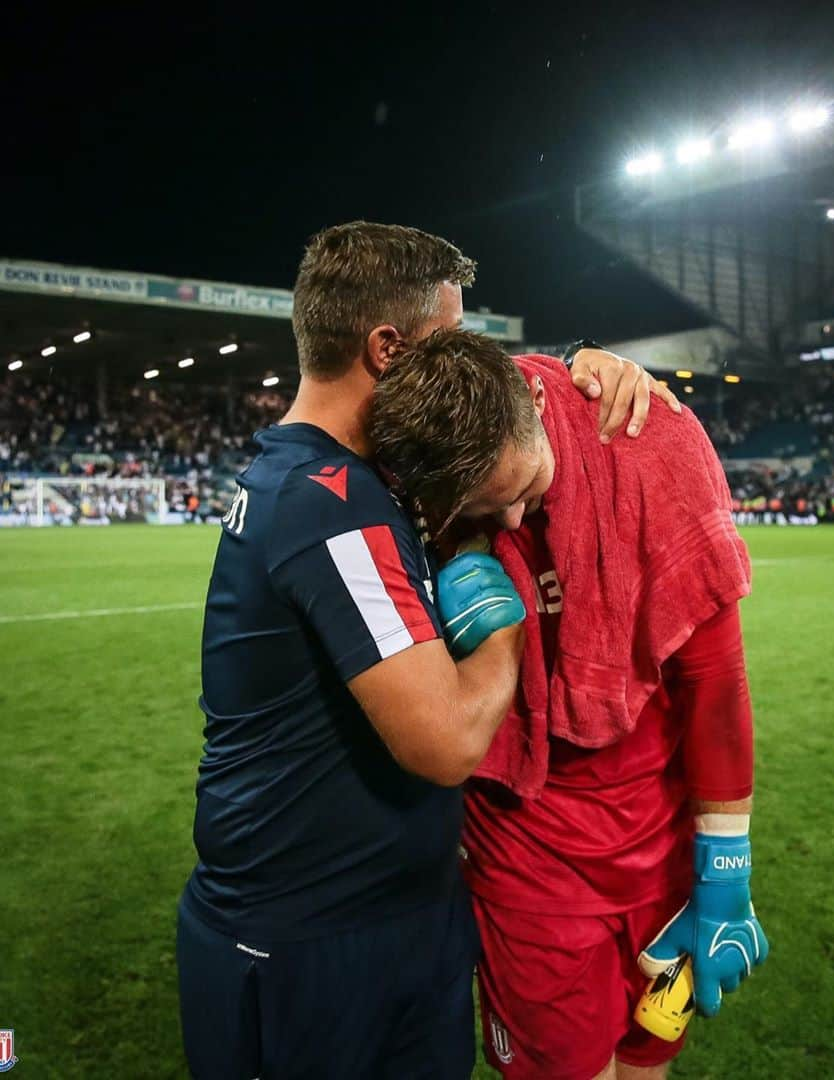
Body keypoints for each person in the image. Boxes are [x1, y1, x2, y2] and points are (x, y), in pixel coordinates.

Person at [177, 221, 677, 1080]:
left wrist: (589, 361)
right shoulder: (328, 502)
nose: (478, 364)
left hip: (395, 919)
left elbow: (504, 414)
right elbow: (444, 740)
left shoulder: (353, 481)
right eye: (453, 337)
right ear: (386, 346)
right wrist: (502, 618)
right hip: (310, 943)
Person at [371, 330, 768, 1080]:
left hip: (660, 840)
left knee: (647, 1059)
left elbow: (717, 683)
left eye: (524, 489)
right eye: (492, 511)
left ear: (538, 402)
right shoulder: (413, 479)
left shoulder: (656, 444)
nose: (516, 523)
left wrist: (726, 877)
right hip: (528, 849)